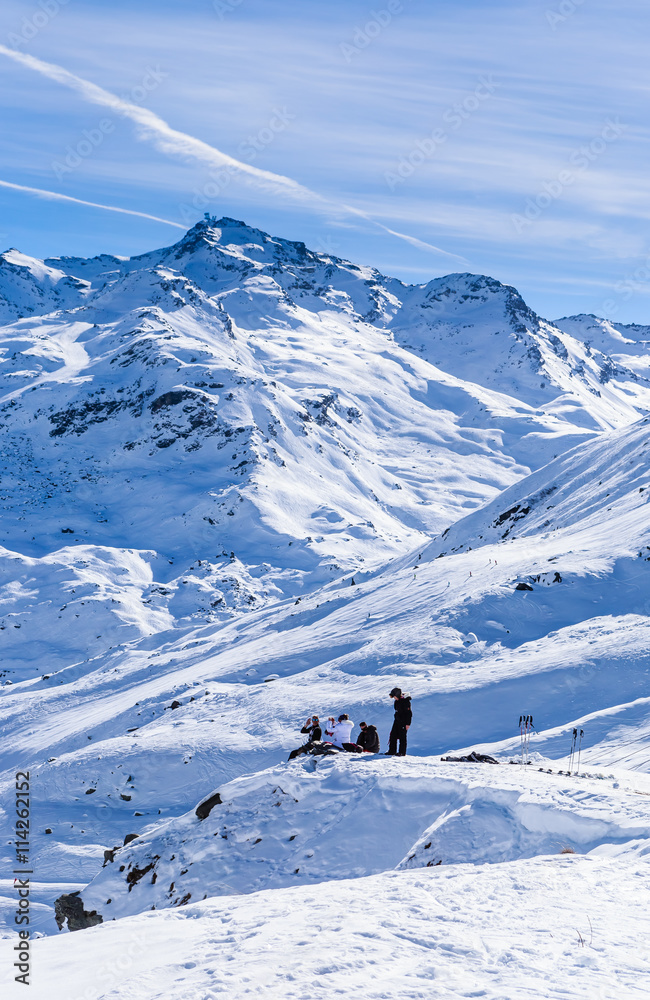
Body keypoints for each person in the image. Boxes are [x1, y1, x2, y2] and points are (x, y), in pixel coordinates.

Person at [385, 688, 412, 756]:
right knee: (393, 735)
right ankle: (392, 751)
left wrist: (408, 723)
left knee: (402, 737)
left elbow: (409, 713)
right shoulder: (397, 701)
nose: (394, 698)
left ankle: (402, 752)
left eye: (394, 696)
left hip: (404, 721)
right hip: (397, 720)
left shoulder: (405, 701)